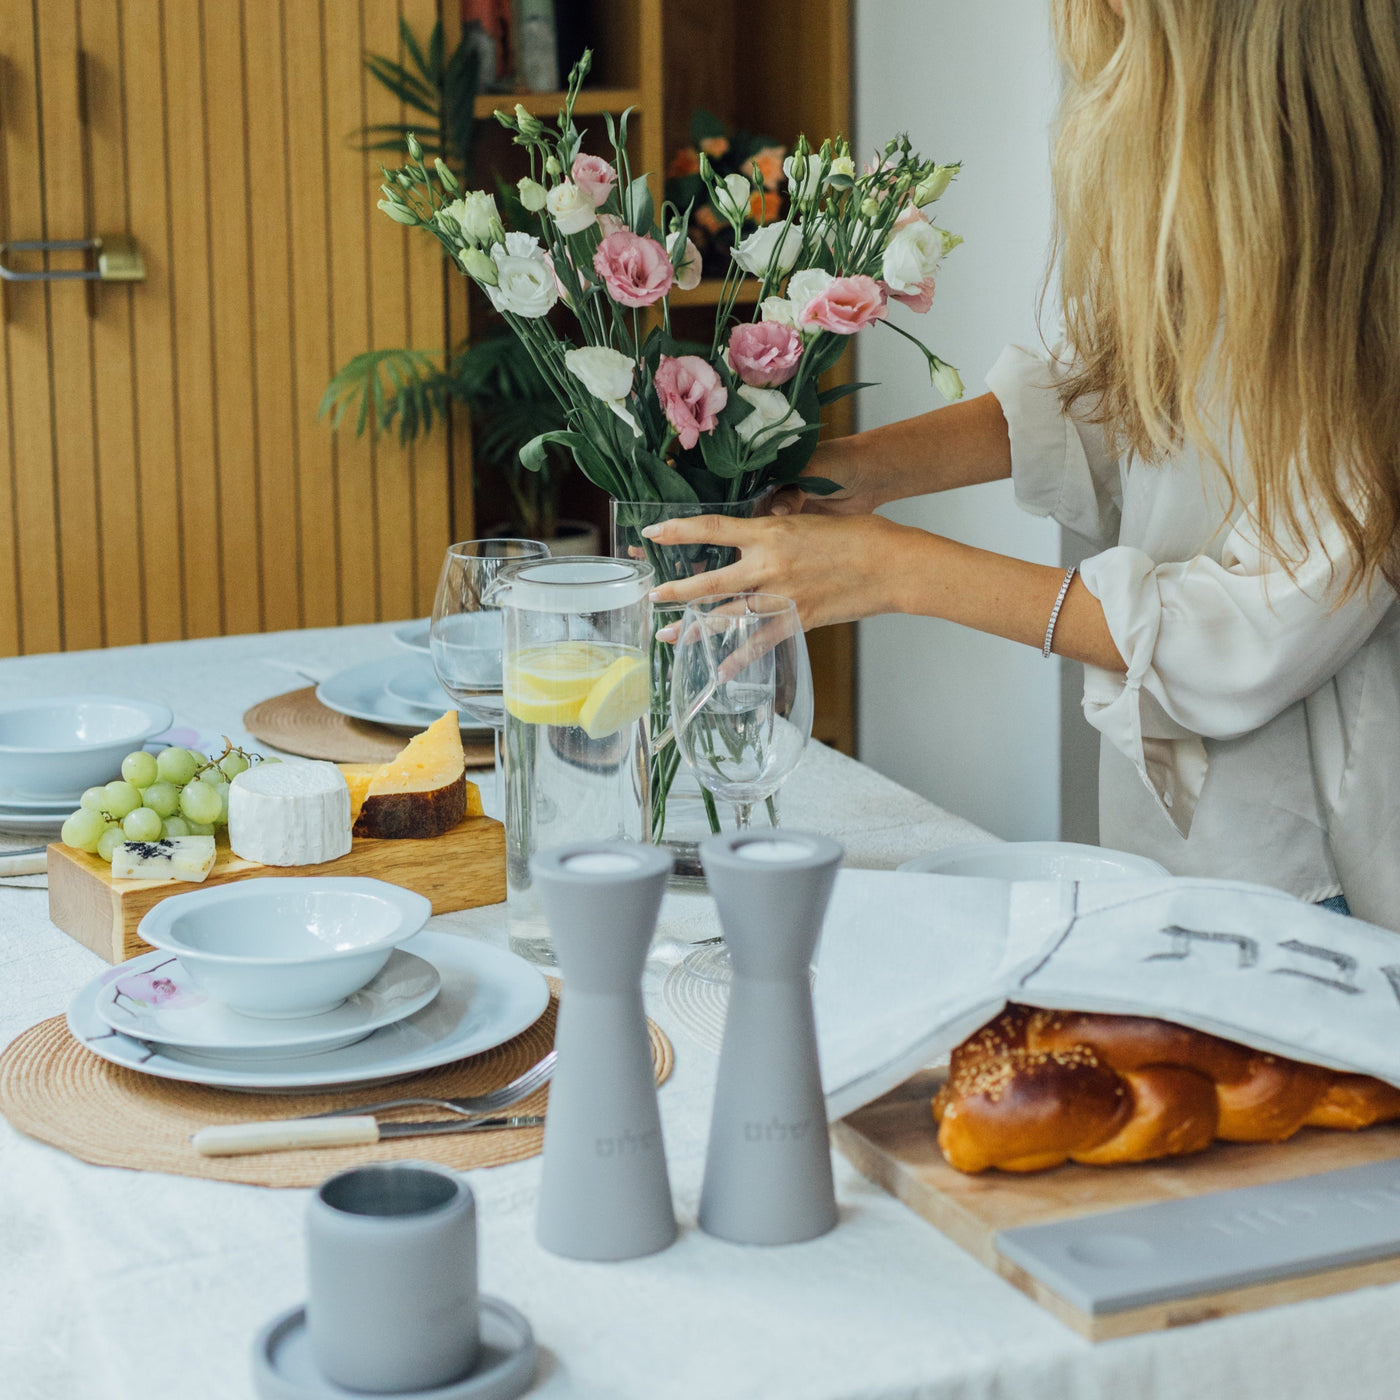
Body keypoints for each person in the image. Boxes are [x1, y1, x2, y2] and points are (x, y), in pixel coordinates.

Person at [643, 0, 1400, 930]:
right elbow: (1117, 400)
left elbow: (1247, 637)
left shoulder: (1375, 310)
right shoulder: (1222, 212)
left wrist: (897, 569)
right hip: (1180, 840)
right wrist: (861, 467)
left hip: (1326, 876)